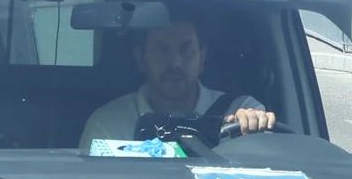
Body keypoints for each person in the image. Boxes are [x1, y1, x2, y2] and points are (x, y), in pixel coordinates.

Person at [77, 17, 275, 148]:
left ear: (202, 58)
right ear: (141, 59)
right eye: (162, 50)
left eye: (186, 50)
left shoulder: (241, 112)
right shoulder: (109, 125)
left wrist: (254, 128)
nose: (175, 63)